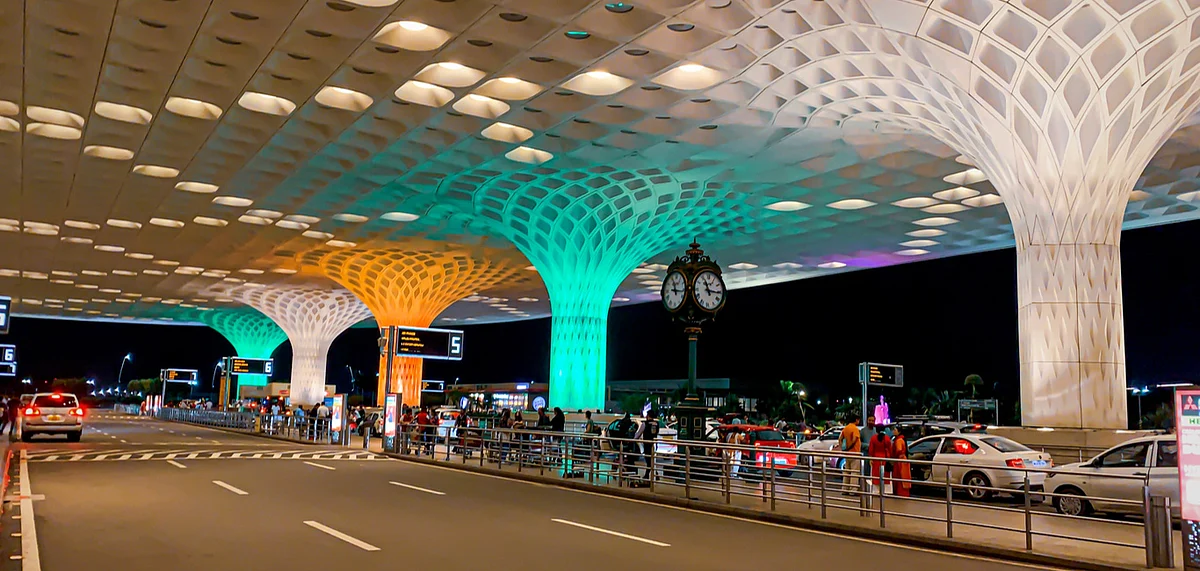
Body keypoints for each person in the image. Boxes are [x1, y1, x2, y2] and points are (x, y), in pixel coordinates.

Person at [838, 416, 862, 493]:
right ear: (856, 420)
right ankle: (853, 490)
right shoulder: (855, 429)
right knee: (854, 472)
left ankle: (845, 489)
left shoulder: (846, 428)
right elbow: (855, 439)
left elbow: (840, 439)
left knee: (847, 472)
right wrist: (850, 447)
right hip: (855, 453)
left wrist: (843, 448)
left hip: (847, 453)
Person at [866, 424, 892, 492]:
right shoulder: (887, 438)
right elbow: (890, 449)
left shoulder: (873, 438)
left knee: (876, 476)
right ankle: (885, 491)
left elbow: (871, 450)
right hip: (885, 459)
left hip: (876, 459)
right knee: (885, 475)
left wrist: (870, 458)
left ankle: (876, 491)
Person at [890, 427, 911, 497]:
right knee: (903, 477)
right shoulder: (901, 439)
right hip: (902, 460)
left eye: (895, 430)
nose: (893, 431)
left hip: (899, 461)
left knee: (899, 476)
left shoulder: (899, 440)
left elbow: (899, 450)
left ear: (899, 432)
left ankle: (900, 492)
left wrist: (894, 456)